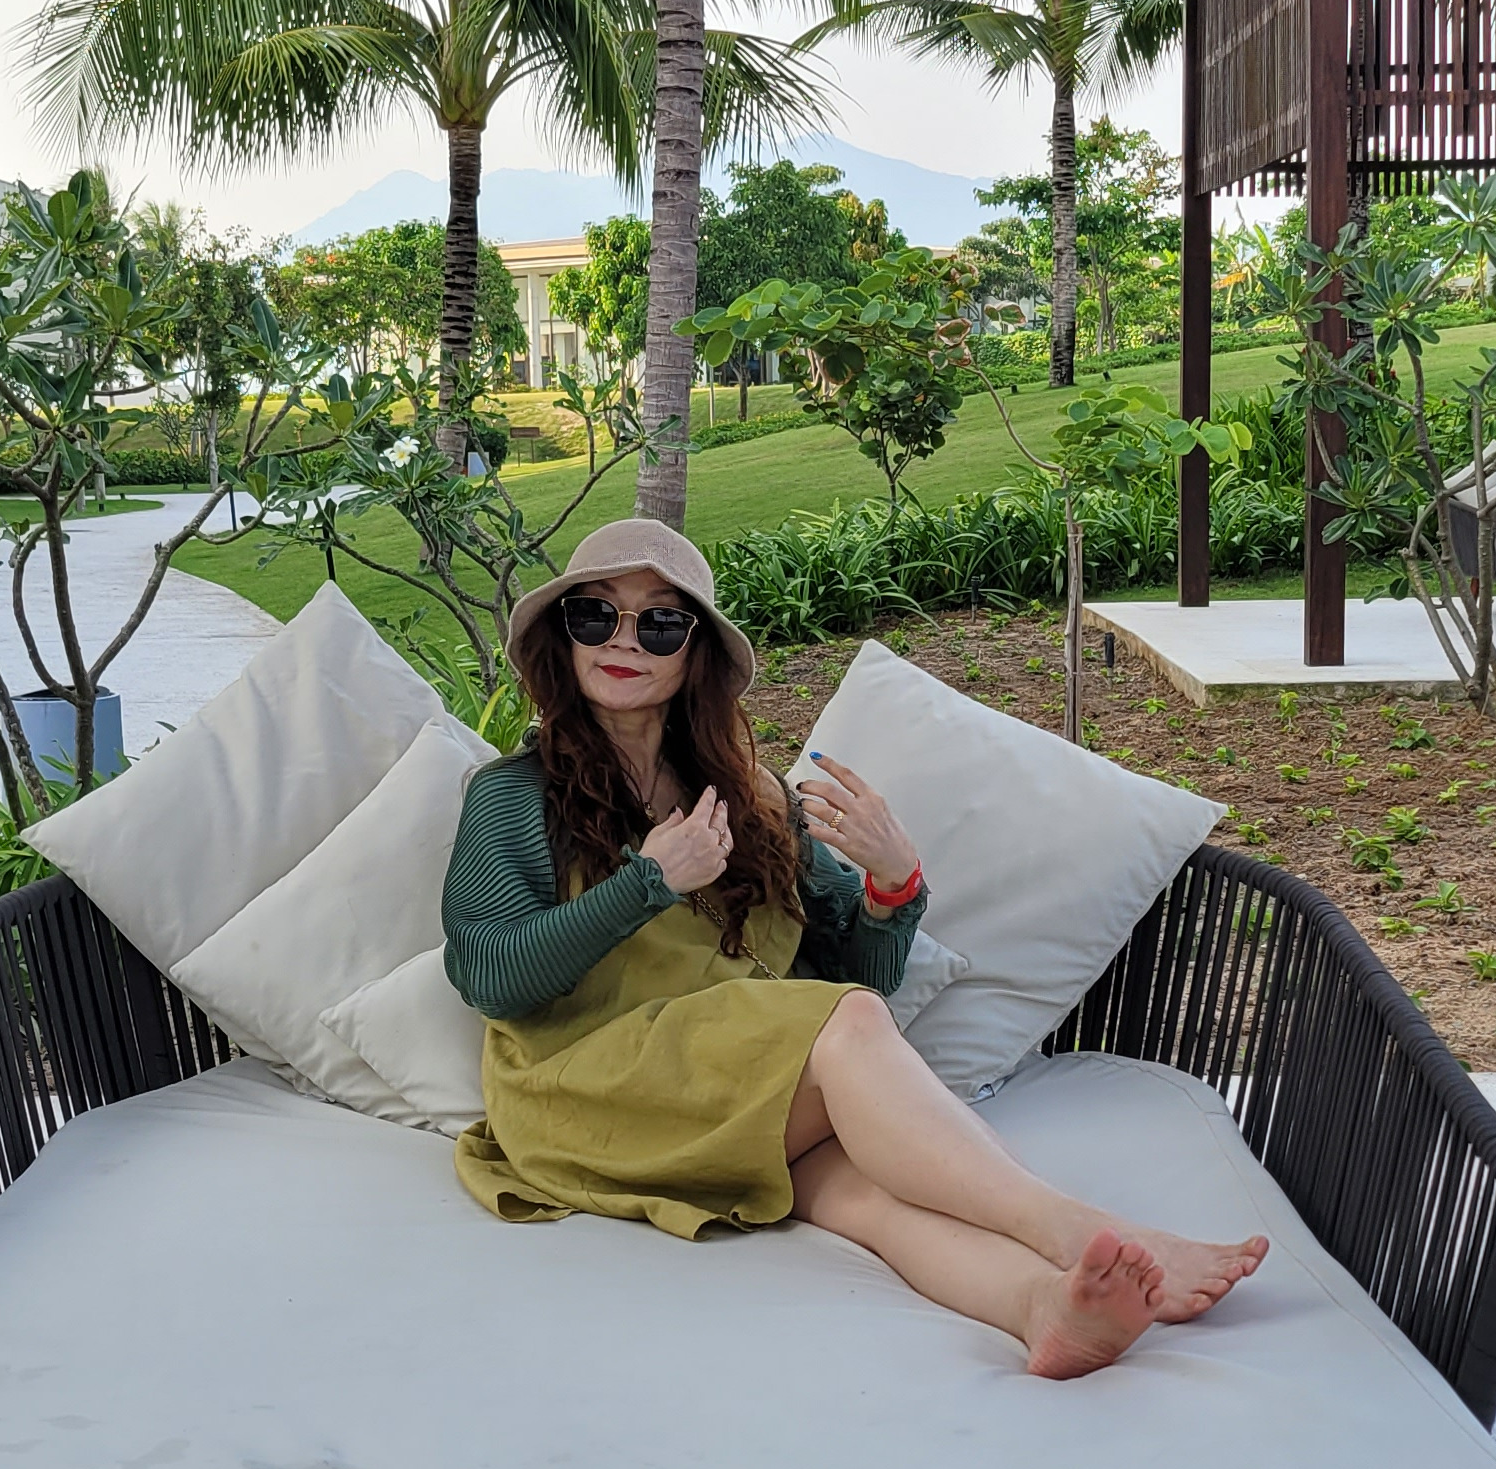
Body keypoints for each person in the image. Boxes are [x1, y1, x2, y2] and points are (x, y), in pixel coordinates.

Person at [441, 521, 1266, 1381]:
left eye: (658, 623)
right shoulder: (513, 797)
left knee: (868, 1194)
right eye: (593, 615)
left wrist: (893, 885)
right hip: (584, 1087)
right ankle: (1071, 1225)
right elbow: (491, 978)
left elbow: (852, 977)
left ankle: (1041, 1307)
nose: (621, 641)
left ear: (695, 655)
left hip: (721, 1089)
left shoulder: (753, 799)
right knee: (854, 1025)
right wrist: (647, 882)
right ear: (561, 636)